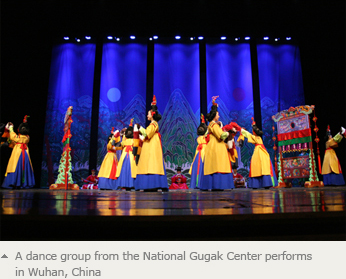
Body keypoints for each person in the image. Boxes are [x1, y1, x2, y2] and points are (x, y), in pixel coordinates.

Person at [135, 95, 168, 191]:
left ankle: (151, 185)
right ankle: (148, 185)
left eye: (148, 114)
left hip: (152, 145)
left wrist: (140, 128)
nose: (147, 115)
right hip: (150, 144)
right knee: (148, 163)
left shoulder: (153, 124)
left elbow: (147, 133)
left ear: (152, 115)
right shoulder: (152, 124)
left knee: (152, 163)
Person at [200, 96, 234, 191]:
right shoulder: (213, 125)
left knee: (214, 164)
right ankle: (218, 185)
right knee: (217, 164)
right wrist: (227, 133)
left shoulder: (212, 124)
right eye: (218, 114)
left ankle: (216, 185)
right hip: (216, 146)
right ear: (214, 115)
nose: (218, 116)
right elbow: (220, 135)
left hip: (215, 145)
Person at [239, 118, 278, 188]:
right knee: (263, 167)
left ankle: (256, 184)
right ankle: (266, 184)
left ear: (254, 132)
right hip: (263, 152)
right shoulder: (259, 138)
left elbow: (247, 134)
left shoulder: (255, 137)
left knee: (256, 167)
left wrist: (240, 129)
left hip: (258, 152)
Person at [2, 116, 35, 189]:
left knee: (15, 167)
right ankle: (23, 183)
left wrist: (11, 128)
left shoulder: (18, 138)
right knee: (24, 167)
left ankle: (13, 182)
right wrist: (25, 123)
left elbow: (12, 136)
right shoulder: (27, 138)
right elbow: (23, 132)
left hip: (18, 153)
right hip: (25, 153)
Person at [116, 119, 137, 190]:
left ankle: (125, 184)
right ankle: (131, 184)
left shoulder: (125, 141)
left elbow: (117, 145)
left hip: (126, 155)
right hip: (130, 155)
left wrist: (116, 137)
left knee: (125, 169)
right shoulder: (134, 140)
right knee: (130, 169)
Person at [189, 114, 208, 189]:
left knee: (197, 166)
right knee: (200, 166)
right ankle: (200, 183)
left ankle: (196, 183)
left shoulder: (199, 138)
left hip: (200, 151)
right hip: (202, 151)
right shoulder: (204, 137)